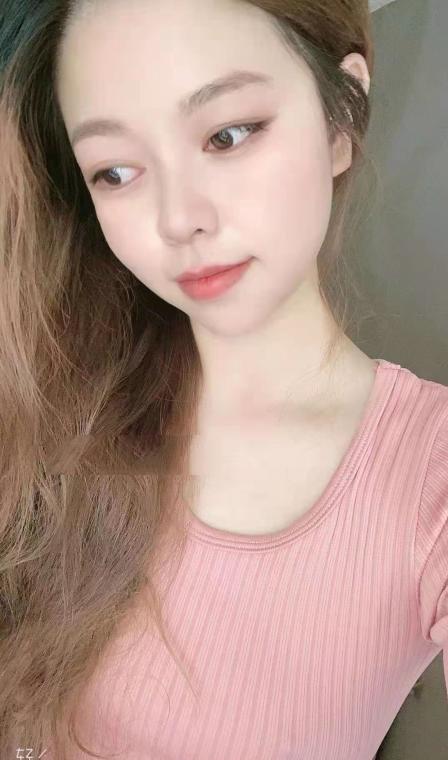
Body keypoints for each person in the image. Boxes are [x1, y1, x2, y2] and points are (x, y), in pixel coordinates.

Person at [1, 1, 447, 758]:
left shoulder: (429, 472)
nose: (179, 219)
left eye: (227, 134)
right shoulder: (58, 398)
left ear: (340, 118)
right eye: (116, 171)